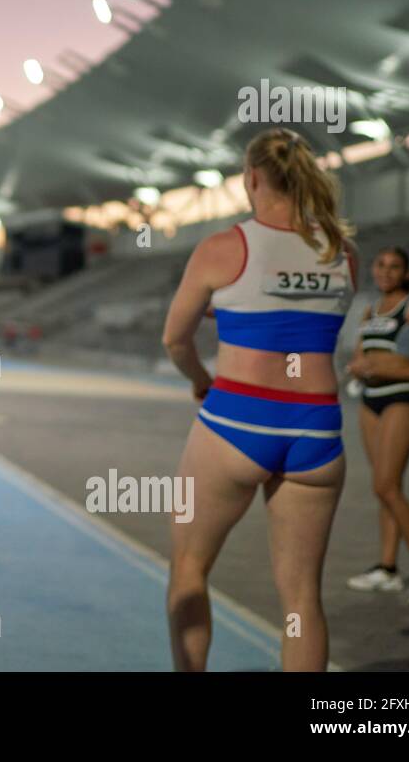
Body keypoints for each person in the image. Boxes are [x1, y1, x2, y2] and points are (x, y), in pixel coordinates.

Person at [161, 127, 356, 671]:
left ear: (250, 178)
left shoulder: (225, 246)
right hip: (317, 432)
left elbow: (175, 340)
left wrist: (199, 377)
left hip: (238, 419)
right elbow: (297, 319)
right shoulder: (343, 252)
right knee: (301, 600)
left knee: (189, 569)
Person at [346, 246, 409, 605]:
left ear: (406, 273)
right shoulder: (369, 311)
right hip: (370, 402)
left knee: (386, 486)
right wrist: (358, 367)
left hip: (402, 400)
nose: (386, 271)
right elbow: (360, 356)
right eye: (381, 265)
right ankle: (387, 569)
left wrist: (380, 368)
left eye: (395, 267)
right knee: (384, 487)